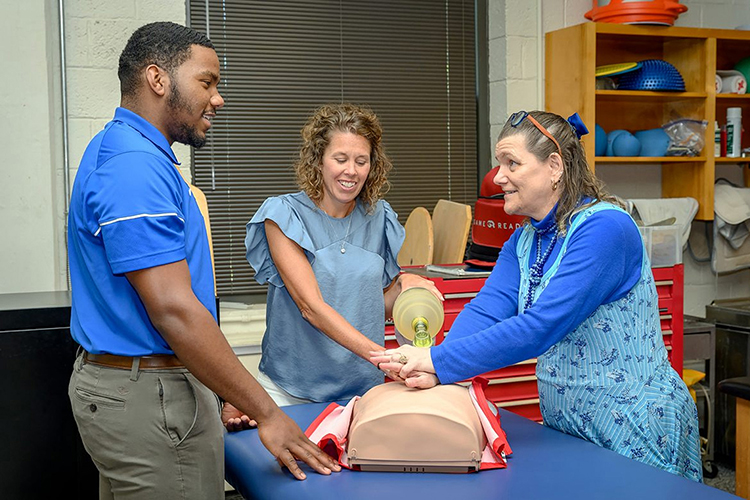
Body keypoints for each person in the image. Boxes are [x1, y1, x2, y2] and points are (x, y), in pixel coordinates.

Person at [67, 22, 339, 499]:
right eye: (207, 82)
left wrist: (217, 389)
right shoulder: (134, 167)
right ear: (157, 79)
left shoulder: (127, 151)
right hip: (148, 396)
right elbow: (173, 310)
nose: (218, 98)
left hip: (146, 383)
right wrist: (269, 413)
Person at [372, 110, 703, 482]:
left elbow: (541, 326)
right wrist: (436, 370)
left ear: (555, 166)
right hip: (567, 426)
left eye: (511, 163)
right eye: (499, 164)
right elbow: (487, 310)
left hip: (633, 424)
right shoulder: (526, 238)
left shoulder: (605, 228)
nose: (498, 178)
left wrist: (438, 360)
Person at [242, 103, 441, 405]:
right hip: (290, 391)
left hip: (361, 390)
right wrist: (383, 357)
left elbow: (374, 306)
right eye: (340, 158)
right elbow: (311, 307)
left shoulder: (380, 218)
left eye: (362, 161)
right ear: (318, 160)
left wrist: (404, 288)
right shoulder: (283, 216)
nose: (351, 170)